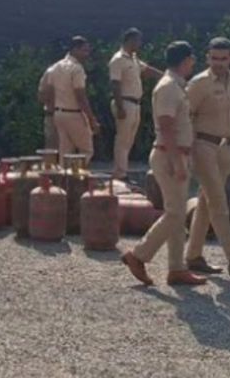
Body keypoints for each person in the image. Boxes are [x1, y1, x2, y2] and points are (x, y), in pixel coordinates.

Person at [121, 41, 208, 286]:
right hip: (169, 154)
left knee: (176, 213)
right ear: (185, 60)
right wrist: (176, 161)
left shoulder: (175, 85)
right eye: (192, 59)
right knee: (175, 214)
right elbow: (166, 126)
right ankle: (138, 255)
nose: (193, 63)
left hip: (174, 153)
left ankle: (176, 268)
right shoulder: (169, 87)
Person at [184, 38, 230, 277]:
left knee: (206, 202)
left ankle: (193, 255)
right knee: (218, 201)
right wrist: (187, 148)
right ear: (207, 57)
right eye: (214, 58)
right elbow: (185, 115)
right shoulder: (199, 83)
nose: (218, 63)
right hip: (202, 144)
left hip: (225, 146)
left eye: (223, 58)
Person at [108, 28, 162, 182]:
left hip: (135, 104)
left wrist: (166, 76)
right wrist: (120, 107)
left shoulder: (133, 59)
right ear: (130, 40)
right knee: (123, 140)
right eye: (138, 41)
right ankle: (120, 174)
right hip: (125, 102)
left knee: (128, 140)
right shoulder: (118, 59)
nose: (140, 44)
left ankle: (122, 170)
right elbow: (115, 83)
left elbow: (147, 70)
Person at [45, 37, 100, 162]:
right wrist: (92, 119)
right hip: (74, 113)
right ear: (75, 49)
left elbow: (49, 92)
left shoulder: (55, 67)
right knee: (86, 150)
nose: (87, 54)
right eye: (84, 50)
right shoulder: (76, 68)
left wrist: (52, 111)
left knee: (65, 151)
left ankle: (65, 174)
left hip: (59, 114)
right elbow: (80, 96)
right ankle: (78, 173)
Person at [37, 64, 59, 150]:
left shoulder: (76, 71)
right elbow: (41, 96)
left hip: (71, 115)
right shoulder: (50, 72)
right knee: (52, 150)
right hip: (52, 115)